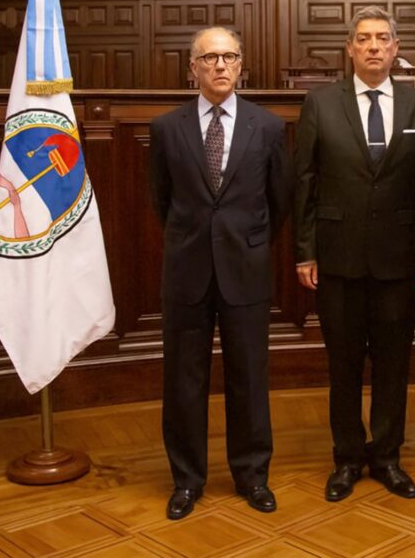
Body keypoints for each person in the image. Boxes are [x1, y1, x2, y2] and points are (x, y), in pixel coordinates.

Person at [294, 6, 415, 501]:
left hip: (400, 260)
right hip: (337, 258)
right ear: (350, 49)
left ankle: (388, 457)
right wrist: (305, 251)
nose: (374, 46)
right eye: (364, 38)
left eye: (383, 38)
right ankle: (347, 458)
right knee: (344, 365)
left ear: (396, 49)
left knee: (394, 365)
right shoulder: (320, 102)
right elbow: (305, 183)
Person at [149, 26, 292, 520]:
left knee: (249, 379)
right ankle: (187, 481)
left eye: (229, 56)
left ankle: (252, 476)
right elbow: (161, 200)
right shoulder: (167, 128)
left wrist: (248, 244)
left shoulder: (267, 127)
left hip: (246, 271)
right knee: (184, 382)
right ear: (193, 68)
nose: (220, 66)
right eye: (209, 58)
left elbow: (279, 202)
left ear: (241, 64)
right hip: (186, 272)